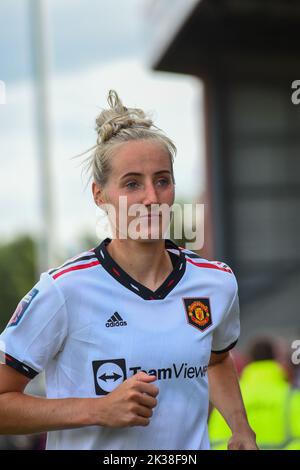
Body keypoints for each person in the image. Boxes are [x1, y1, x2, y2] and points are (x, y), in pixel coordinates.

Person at [0, 90, 257, 450]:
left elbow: (216, 361)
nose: (151, 198)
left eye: (162, 180)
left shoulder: (216, 282)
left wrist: (241, 429)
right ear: (99, 195)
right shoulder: (63, 290)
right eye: (132, 183)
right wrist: (97, 409)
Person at [208, 337, 300, 450]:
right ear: (277, 360)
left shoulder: (226, 398)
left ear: (249, 360)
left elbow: (214, 442)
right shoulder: (292, 397)